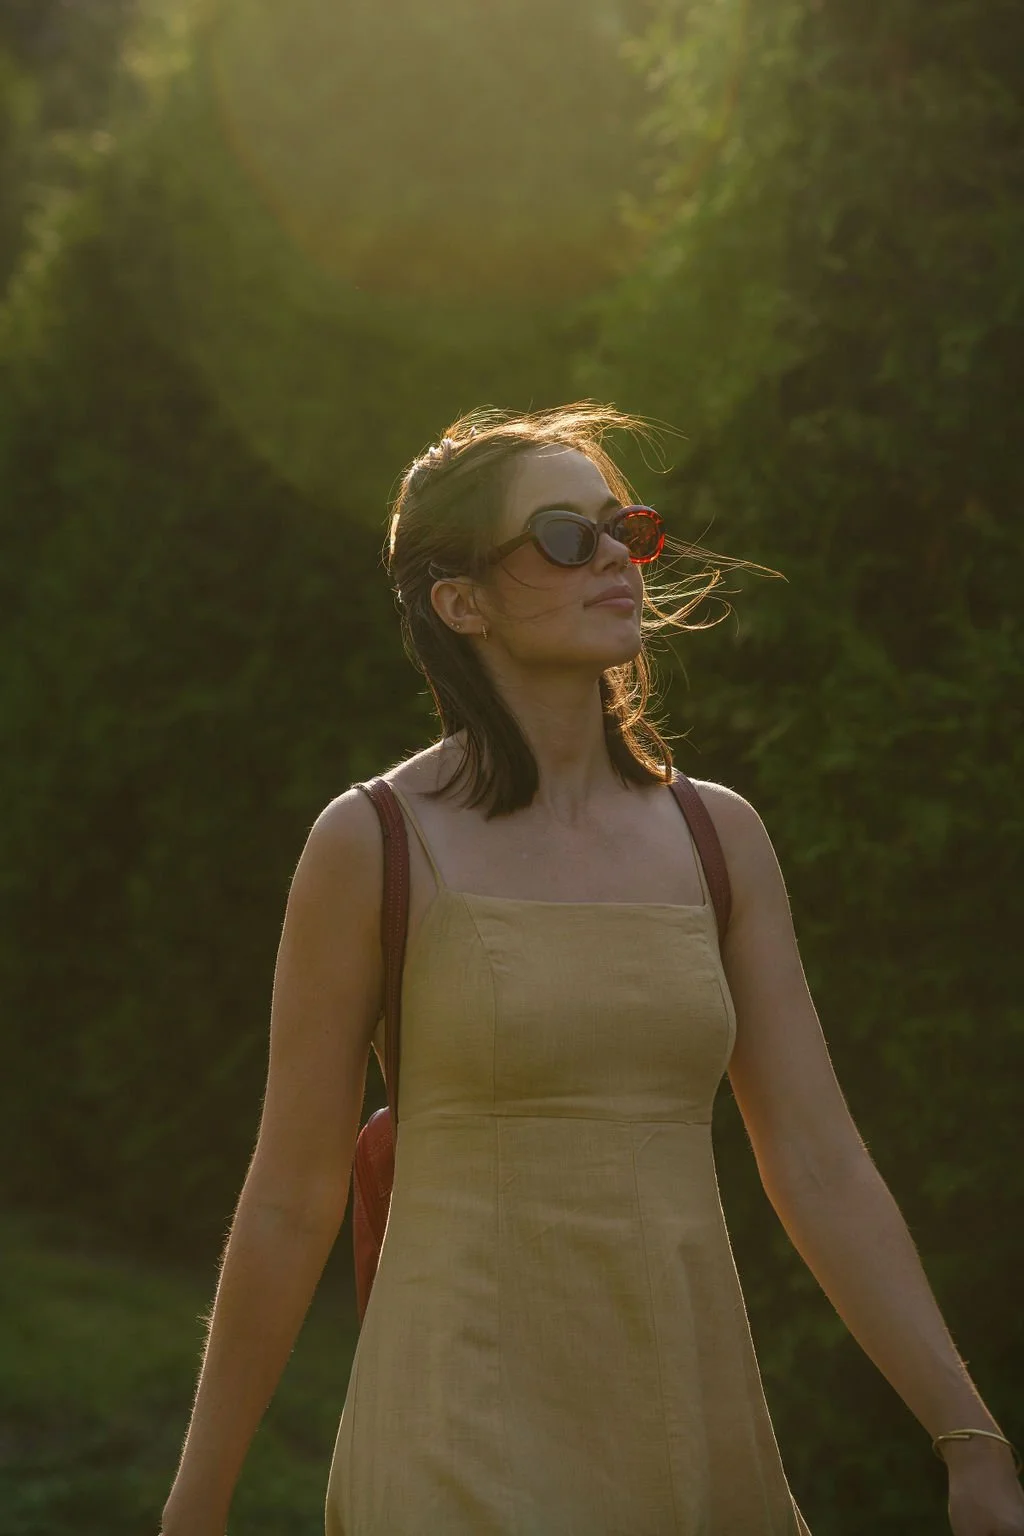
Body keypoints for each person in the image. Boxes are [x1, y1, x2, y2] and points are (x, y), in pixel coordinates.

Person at [161, 404, 1023, 1536]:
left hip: (688, 1421)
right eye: (564, 536)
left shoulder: (719, 840)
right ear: (458, 600)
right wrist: (199, 1500)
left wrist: (968, 1441)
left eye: (626, 527)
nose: (615, 554)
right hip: (451, 1432)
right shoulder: (370, 844)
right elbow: (289, 1198)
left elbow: (818, 1161)